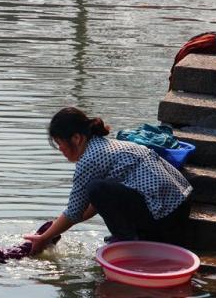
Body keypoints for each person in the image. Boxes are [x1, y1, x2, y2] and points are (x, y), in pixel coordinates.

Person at [23, 107, 192, 254]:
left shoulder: (89, 159)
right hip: (180, 205)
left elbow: (74, 211)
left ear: (76, 138)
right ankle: (129, 235)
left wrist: (44, 238)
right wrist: (55, 228)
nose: (60, 149)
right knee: (97, 190)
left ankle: (127, 241)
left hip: (166, 216)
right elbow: (89, 207)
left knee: (96, 188)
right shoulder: (104, 145)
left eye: (60, 143)